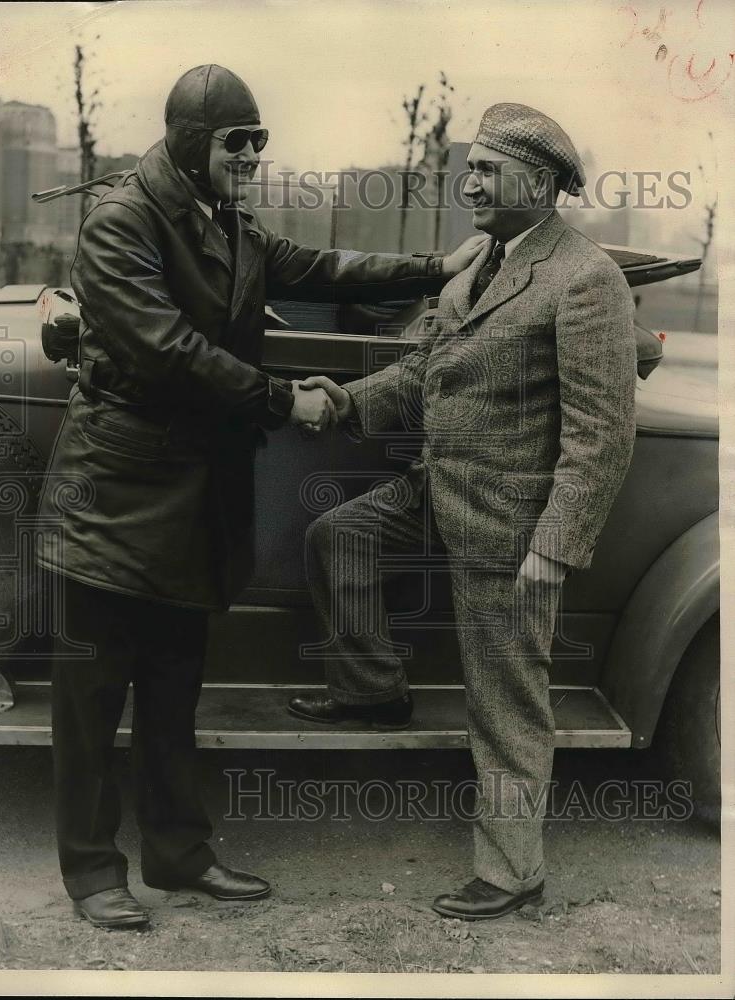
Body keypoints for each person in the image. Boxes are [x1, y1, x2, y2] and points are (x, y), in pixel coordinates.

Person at [35, 63, 482, 929]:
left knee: (173, 690)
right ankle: (92, 871)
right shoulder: (120, 223)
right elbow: (167, 349)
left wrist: (436, 266)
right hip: (113, 498)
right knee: (90, 702)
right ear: (195, 142)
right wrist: (285, 400)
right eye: (240, 142)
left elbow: (320, 265)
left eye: (261, 141)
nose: (254, 157)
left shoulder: (228, 222)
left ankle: (177, 854)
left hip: (192, 499)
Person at [288, 103, 637, 920]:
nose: (467, 179)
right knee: (338, 536)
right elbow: (421, 375)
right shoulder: (475, 268)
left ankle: (513, 871)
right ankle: (371, 687)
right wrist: (340, 401)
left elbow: (600, 439)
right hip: (438, 488)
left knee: (504, 697)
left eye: (485, 167)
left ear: (541, 182)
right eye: (469, 164)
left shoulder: (585, 280)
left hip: (511, 524)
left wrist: (552, 549)